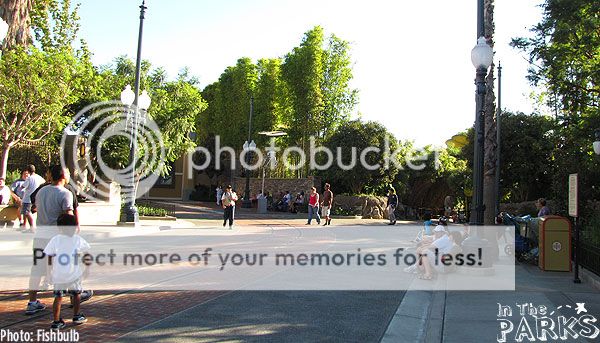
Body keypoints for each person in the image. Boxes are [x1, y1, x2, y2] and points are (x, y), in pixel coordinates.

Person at [25, 165, 73, 315]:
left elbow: (36, 208)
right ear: (63, 177)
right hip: (57, 237)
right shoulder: (65, 194)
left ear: (51, 176)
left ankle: (32, 302)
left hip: (40, 235)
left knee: (37, 269)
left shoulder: (41, 191)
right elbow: (68, 216)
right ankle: (75, 294)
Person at [44, 213, 90, 329]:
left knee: (58, 297)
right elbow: (87, 253)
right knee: (77, 294)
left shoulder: (55, 240)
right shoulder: (78, 239)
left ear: (59, 227)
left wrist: (48, 273)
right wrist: (87, 269)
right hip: (74, 273)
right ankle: (76, 315)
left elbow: (49, 256)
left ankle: (56, 321)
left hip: (58, 274)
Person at [20, 165, 46, 233]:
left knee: (27, 213)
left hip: (28, 198)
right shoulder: (39, 178)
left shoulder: (29, 178)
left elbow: (23, 186)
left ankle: (32, 228)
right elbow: (44, 183)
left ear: (28, 171)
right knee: (28, 212)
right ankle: (25, 226)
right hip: (36, 198)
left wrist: (22, 187)